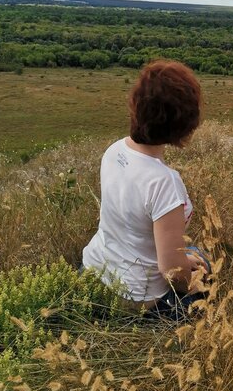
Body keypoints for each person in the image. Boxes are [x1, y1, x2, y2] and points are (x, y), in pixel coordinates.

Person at [81, 59, 209, 321]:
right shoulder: (164, 182)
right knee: (203, 260)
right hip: (135, 301)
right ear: (184, 124)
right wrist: (194, 278)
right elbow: (172, 272)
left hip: (92, 273)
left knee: (189, 254)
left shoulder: (115, 150)